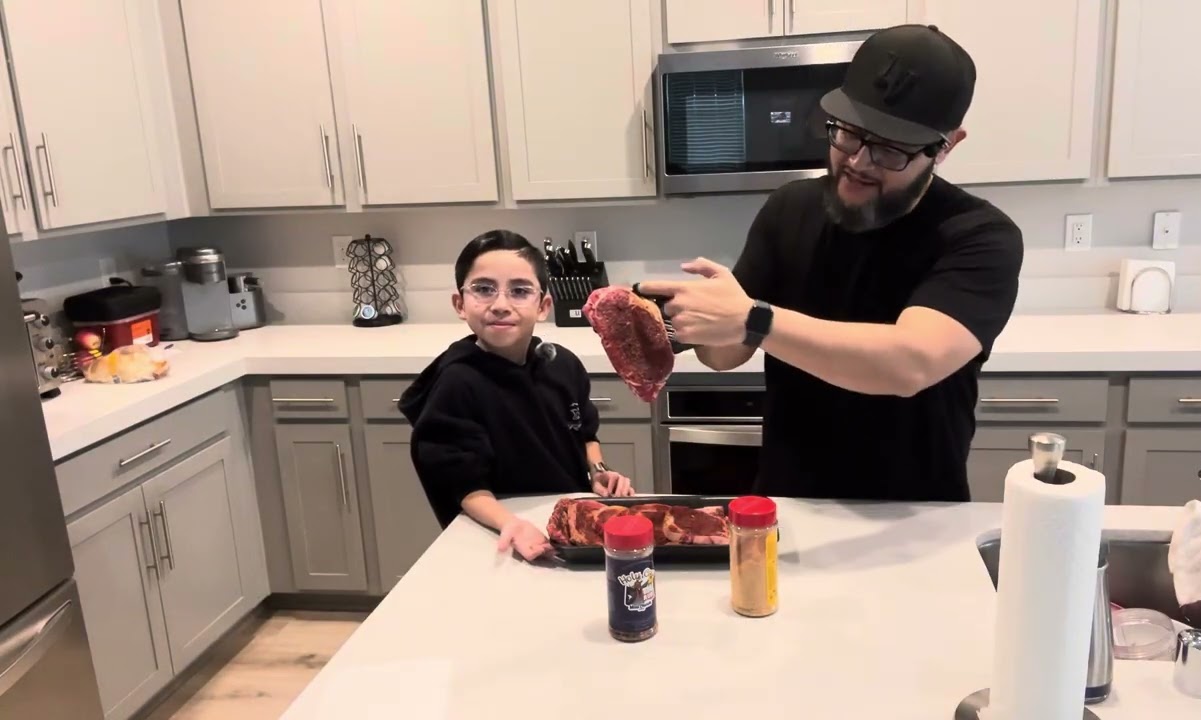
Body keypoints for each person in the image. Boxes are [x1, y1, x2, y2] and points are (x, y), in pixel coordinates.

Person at [638, 25, 1024, 503]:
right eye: (848, 133)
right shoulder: (789, 208)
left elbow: (910, 363)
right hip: (788, 504)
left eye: (889, 149)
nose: (858, 161)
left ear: (946, 146)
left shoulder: (979, 236)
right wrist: (697, 321)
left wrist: (754, 320)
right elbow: (724, 356)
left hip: (918, 511)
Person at [398, 230, 635, 560]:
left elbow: (585, 434)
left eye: (520, 291)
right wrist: (511, 524)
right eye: (484, 289)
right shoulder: (456, 383)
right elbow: (464, 485)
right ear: (460, 304)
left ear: (543, 306)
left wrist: (598, 471)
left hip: (563, 527)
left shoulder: (563, 365)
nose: (500, 305)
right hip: (497, 532)